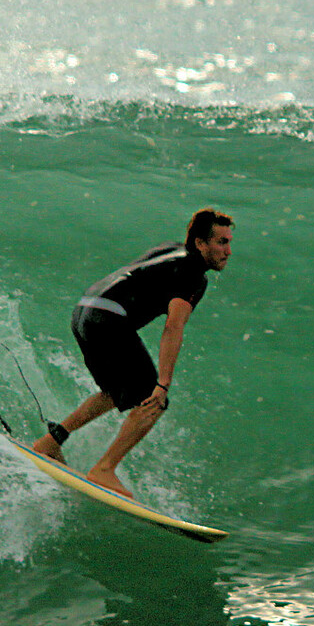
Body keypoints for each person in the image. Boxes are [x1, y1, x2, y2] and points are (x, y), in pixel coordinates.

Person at [32, 208, 233, 497]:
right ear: (201, 243)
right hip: (109, 319)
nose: (228, 251)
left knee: (115, 392)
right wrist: (162, 383)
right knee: (152, 401)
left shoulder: (170, 250)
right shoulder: (193, 275)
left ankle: (51, 441)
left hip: (85, 311)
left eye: (228, 242)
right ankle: (104, 469)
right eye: (221, 242)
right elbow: (174, 327)